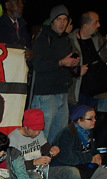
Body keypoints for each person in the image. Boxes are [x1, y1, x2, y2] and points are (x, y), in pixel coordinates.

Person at [30, 4, 79, 145]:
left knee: (59, 135)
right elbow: (38, 65)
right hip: (46, 95)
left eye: (65, 19)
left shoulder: (65, 40)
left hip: (62, 93)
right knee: (40, 135)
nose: (62, 23)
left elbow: (65, 65)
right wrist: (61, 62)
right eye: (59, 19)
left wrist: (74, 65)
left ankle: (52, 164)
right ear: (52, 21)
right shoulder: (43, 38)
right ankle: (37, 164)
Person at [53, 105, 107, 179]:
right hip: (67, 167)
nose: (94, 120)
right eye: (90, 118)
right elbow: (67, 158)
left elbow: (92, 148)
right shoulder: (67, 133)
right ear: (79, 120)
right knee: (105, 174)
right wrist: (90, 158)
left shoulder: (87, 131)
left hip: (82, 164)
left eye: (95, 117)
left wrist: (96, 153)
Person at [68, 11, 107, 109]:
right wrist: (77, 70)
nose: (99, 25)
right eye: (96, 22)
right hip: (78, 93)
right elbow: (64, 66)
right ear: (86, 25)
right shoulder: (70, 41)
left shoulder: (98, 38)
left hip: (96, 93)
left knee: (91, 121)